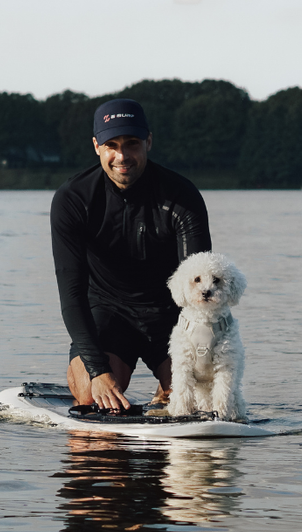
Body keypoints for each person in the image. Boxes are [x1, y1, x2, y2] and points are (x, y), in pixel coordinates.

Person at [51, 98, 211, 412]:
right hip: (108, 312)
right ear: (96, 146)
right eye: (111, 145)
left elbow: (201, 290)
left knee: (194, 402)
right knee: (91, 399)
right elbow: (72, 296)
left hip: (171, 315)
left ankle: (166, 389)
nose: (122, 156)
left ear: (148, 141)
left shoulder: (182, 196)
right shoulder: (73, 200)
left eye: (132, 144)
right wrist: (98, 370)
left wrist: (192, 367)